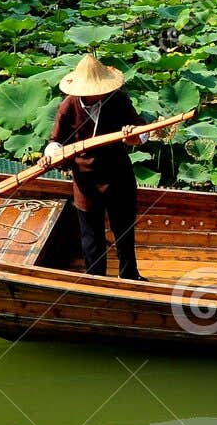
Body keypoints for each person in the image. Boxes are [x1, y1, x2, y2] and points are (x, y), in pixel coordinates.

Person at [42, 55, 148, 281]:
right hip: (86, 179)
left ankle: (130, 276)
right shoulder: (68, 106)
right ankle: (95, 281)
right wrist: (51, 155)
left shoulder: (118, 99)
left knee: (124, 231)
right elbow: (55, 141)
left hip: (118, 174)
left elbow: (142, 129)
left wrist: (134, 137)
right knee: (91, 237)